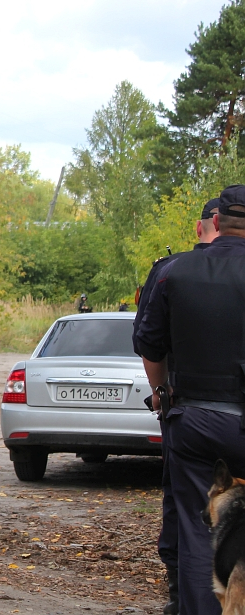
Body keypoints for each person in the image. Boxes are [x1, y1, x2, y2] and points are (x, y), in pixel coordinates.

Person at [136, 185, 245, 615]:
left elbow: (149, 345)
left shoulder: (173, 272)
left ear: (214, 223)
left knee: (198, 531)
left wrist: (163, 396)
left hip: (196, 419)